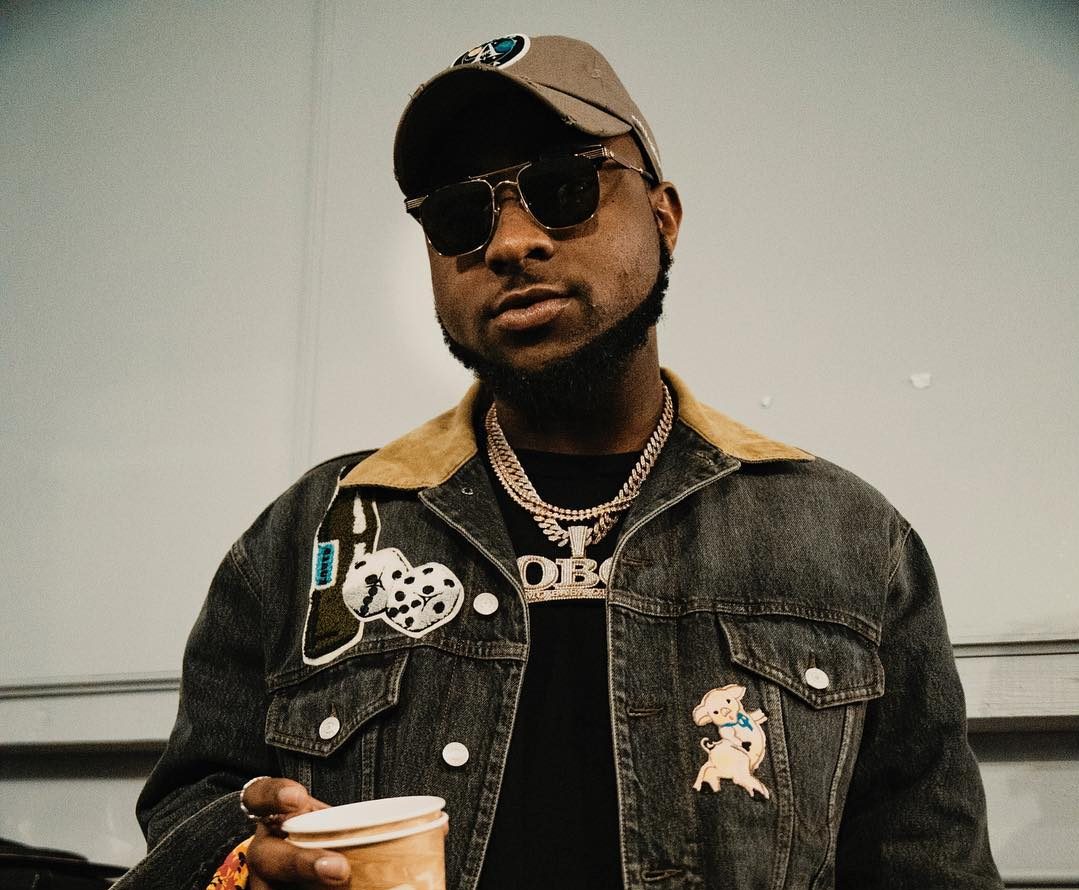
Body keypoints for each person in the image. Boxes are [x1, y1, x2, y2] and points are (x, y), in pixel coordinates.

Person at [115, 34, 1003, 890]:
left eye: (564, 187)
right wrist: (240, 865)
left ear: (663, 216)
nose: (509, 243)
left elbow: (927, 861)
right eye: (459, 215)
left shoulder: (846, 539)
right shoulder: (313, 532)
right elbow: (192, 808)